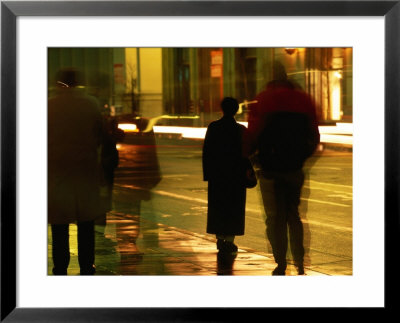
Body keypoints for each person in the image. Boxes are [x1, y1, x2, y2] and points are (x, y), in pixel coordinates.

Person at [243, 61, 320, 275]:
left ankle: (281, 262)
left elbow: (253, 132)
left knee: (275, 217)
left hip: (270, 168)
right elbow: (314, 136)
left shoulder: (263, 98)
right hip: (295, 168)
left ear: (270, 76)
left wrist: (251, 159)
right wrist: (301, 158)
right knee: (294, 215)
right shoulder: (303, 99)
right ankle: (300, 262)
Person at [48, 68, 103, 275]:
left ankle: (60, 267)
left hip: (57, 173)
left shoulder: (49, 107)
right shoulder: (90, 105)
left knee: (59, 226)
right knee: (86, 225)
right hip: (84, 173)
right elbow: (99, 136)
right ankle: (87, 265)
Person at [203, 97, 253, 253]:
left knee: (218, 207)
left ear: (222, 109)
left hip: (218, 175)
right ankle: (229, 240)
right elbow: (246, 154)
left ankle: (220, 238)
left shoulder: (214, 127)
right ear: (236, 110)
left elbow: (207, 152)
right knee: (233, 208)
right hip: (235, 176)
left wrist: (208, 174)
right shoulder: (240, 130)